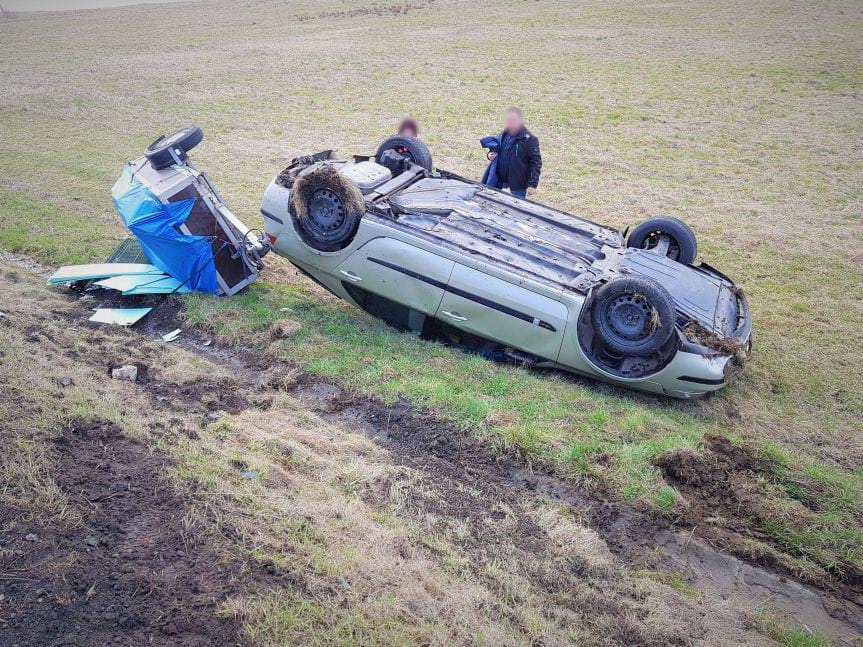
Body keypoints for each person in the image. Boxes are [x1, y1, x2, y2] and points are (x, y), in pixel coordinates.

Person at [483, 107, 541, 198]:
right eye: (508, 120)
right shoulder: (504, 134)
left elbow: (536, 163)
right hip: (498, 183)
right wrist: (489, 155)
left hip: (517, 188)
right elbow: (495, 149)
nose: (510, 123)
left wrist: (533, 184)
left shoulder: (530, 140)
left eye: (513, 120)